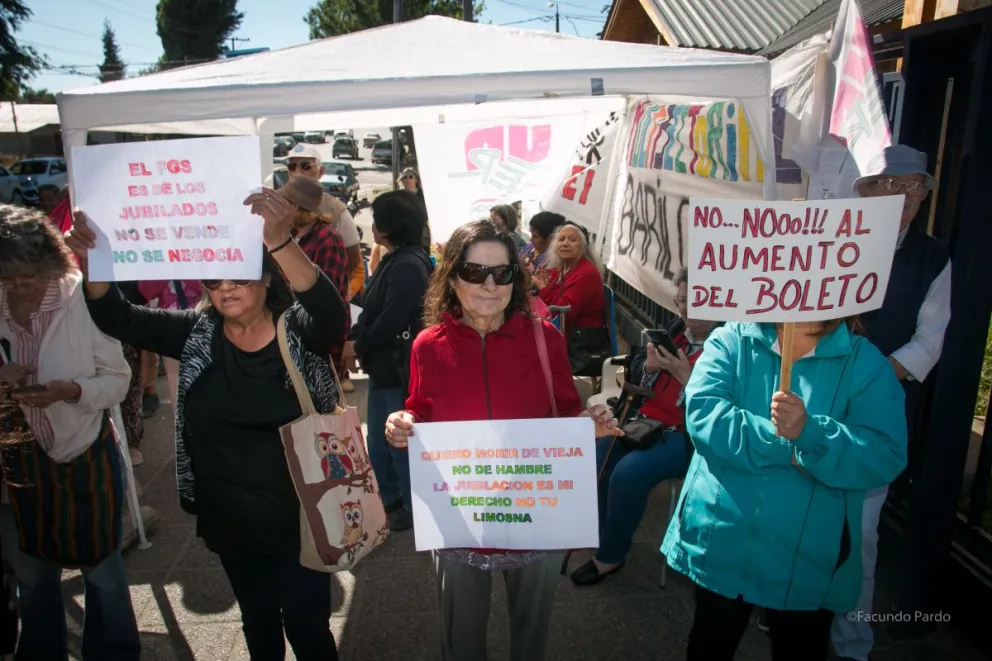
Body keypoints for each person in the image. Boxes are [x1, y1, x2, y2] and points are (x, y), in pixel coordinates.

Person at [66, 187, 346, 661]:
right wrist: (96, 263)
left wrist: (279, 241)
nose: (225, 288)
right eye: (213, 279)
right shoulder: (195, 334)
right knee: (258, 620)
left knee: (306, 625)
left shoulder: (296, 330)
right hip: (230, 519)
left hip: (303, 515)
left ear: (265, 277)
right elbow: (118, 317)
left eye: (238, 274)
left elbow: (330, 312)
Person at [384, 219, 621, 661]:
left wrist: (589, 422)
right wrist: (403, 422)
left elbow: (566, 411)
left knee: (531, 640)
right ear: (452, 278)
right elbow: (420, 411)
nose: (489, 284)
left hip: (536, 517)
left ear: (517, 278)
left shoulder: (544, 337)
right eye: (475, 272)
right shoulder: (427, 346)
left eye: (502, 273)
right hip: (459, 519)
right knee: (460, 641)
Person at [663, 317, 908, 661]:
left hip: (810, 561)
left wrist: (813, 434)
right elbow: (705, 415)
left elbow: (884, 452)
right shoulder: (731, 339)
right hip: (720, 545)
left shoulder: (864, 363)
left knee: (800, 647)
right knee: (710, 640)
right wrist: (788, 445)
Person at [0, 203, 139, 660]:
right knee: (32, 577)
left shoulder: (80, 298)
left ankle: (114, 653)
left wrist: (71, 390)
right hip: (13, 465)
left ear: (49, 263)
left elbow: (118, 380)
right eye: (7, 278)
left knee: (103, 573)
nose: (17, 288)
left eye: (27, 276)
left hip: (81, 453)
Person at [829, 144, 951, 661]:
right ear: (869, 189)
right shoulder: (832, 237)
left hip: (876, 415)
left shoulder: (933, 258)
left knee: (862, 535)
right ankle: (792, 611)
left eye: (915, 187)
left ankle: (852, 643)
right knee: (803, 518)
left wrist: (874, 376)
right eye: (893, 184)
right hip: (813, 403)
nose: (905, 196)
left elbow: (931, 338)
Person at [571, 267, 719, 586]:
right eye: (681, 299)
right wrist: (650, 368)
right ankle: (599, 530)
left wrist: (686, 378)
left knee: (628, 474)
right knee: (598, 455)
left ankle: (610, 556)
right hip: (645, 422)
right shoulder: (677, 329)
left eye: (695, 300)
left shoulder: (729, 346)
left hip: (687, 436)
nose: (685, 308)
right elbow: (638, 374)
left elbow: (721, 409)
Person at [343, 191, 432, 532]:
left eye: (377, 219)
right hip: (386, 367)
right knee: (381, 440)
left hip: (398, 369)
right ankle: (393, 498)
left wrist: (358, 341)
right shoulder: (400, 257)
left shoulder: (408, 263)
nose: (373, 226)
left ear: (388, 226)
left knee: (398, 442)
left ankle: (412, 505)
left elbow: (391, 319)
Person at [288, 144, 363, 393]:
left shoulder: (327, 237)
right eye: (292, 165)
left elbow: (326, 301)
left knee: (323, 423)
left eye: (305, 164)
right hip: (298, 343)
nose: (297, 170)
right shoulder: (293, 235)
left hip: (319, 347)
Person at [534, 222, 608, 373]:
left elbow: (563, 310)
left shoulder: (586, 273)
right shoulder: (559, 269)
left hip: (579, 341)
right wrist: (545, 288)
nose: (565, 244)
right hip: (562, 330)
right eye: (561, 239)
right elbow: (551, 301)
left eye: (572, 239)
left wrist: (543, 289)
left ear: (583, 246)